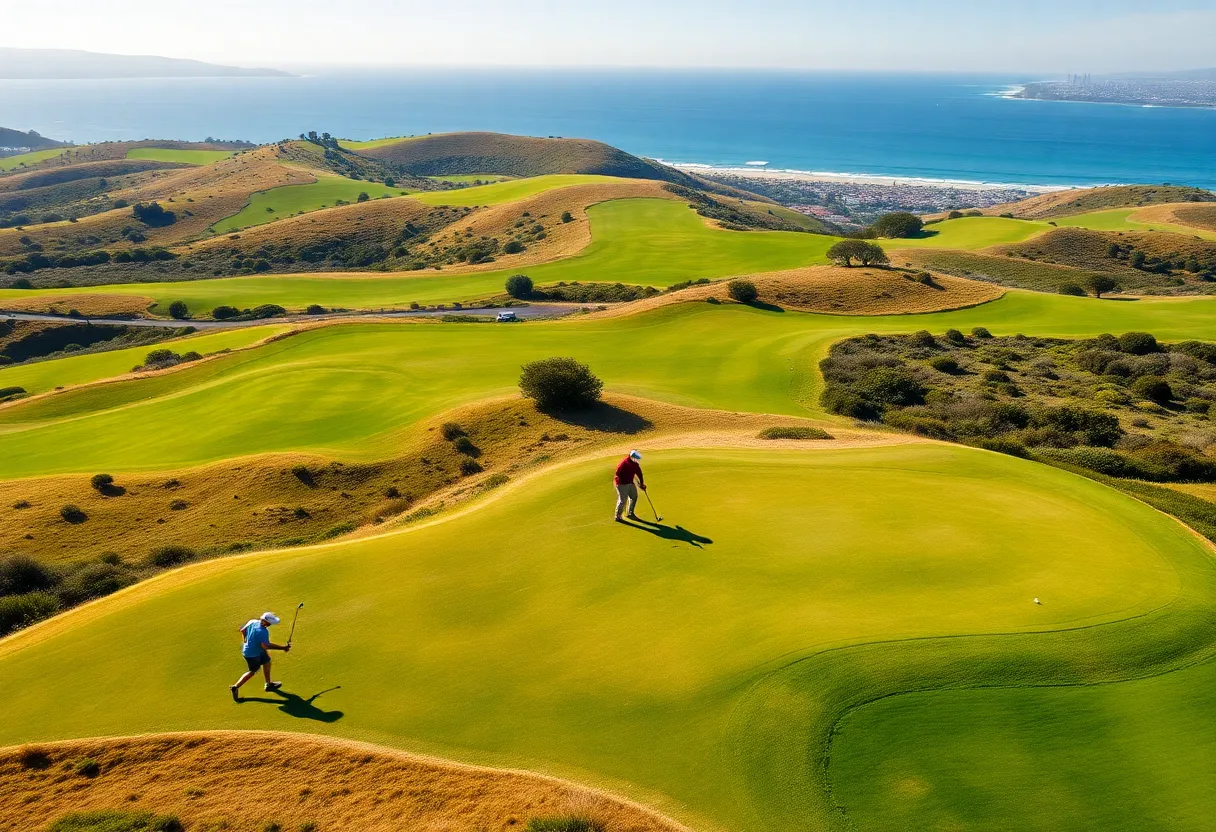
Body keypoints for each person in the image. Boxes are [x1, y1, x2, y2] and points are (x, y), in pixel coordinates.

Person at [230, 611, 291, 702]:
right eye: (270, 623)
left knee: (267, 661)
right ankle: (235, 687)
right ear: (266, 622)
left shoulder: (252, 621)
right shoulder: (263, 631)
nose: (271, 624)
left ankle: (268, 684)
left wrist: (245, 640)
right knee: (252, 671)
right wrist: (283, 648)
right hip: (252, 654)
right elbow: (265, 646)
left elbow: (242, 630)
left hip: (255, 650)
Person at [614, 449, 646, 522]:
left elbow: (639, 474)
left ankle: (630, 513)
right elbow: (618, 473)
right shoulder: (624, 463)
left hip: (630, 483)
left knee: (634, 496)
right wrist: (627, 477)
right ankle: (618, 517)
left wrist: (642, 483)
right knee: (622, 500)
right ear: (632, 457)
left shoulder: (635, 464)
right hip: (621, 484)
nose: (637, 460)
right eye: (636, 458)